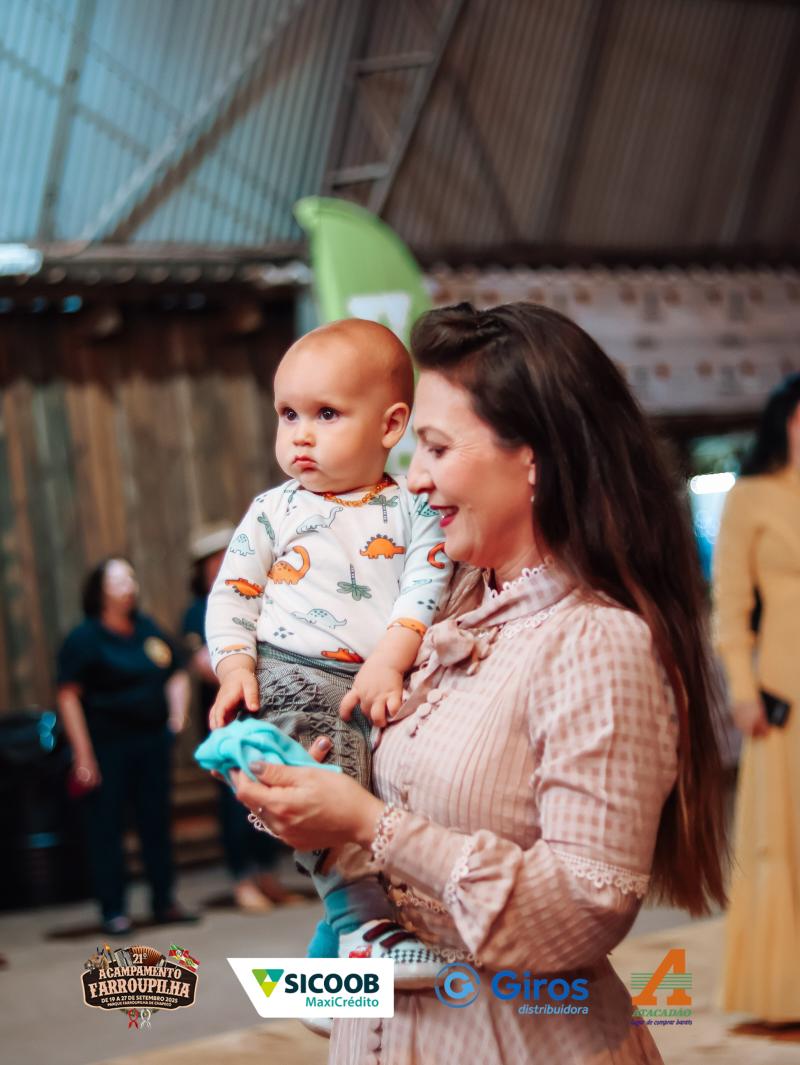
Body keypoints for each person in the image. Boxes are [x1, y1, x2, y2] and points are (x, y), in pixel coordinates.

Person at [232, 302, 729, 1063]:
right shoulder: (435, 605)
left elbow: (584, 909)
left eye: (435, 447)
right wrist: (300, 796)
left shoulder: (596, 641)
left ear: (534, 459)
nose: (413, 477)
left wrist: (369, 824)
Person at [202, 318, 454, 979]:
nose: (301, 434)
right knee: (328, 784)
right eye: (288, 414)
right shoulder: (273, 510)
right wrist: (234, 665)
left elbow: (425, 586)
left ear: (391, 425)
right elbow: (232, 595)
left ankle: (332, 953)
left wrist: (390, 658)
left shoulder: (414, 509)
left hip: (377, 679)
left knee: (387, 794)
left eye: (326, 414)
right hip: (291, 674)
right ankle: (363, 929)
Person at [714, 372, 800, 1024]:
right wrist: (742, 691)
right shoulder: (752, 498)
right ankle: (784, 990)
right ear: (786, 423)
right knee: (782, 842)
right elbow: (731, 607)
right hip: (784, 698)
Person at [57, 557, 198, 936]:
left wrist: (177, 718)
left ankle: (164, 901)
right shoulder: (84, 638)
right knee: (107, 828)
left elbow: (177, 671)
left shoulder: (147, 629)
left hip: (151, 743)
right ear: (101, 591)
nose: (129, 586)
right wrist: (83, 755)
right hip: (107, 747)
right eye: (119, 581)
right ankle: (113, 910)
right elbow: (69, 696)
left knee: (156, 822)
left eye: (131, 578)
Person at [184, 523, 300, 912]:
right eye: (215, 559)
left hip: (262, 714)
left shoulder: (257, 599)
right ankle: (242, 880)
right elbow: (205, 665)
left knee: (267, 791)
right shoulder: (198, 612)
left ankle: (267, 876)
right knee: (235, 799)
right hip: (228, 719)